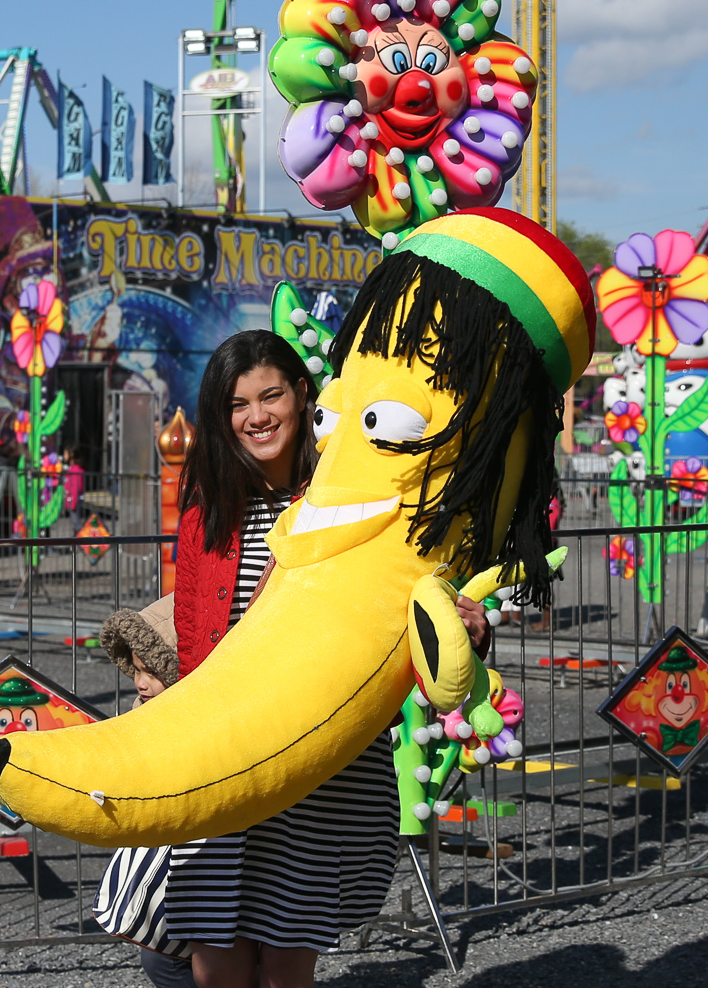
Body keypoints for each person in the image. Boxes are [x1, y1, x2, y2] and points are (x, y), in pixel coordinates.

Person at [159, 330, 487, 988]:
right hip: (229, 752)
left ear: (302, 392)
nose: (257, 416)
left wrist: (464, 625)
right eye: (237, 402)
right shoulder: (208, 514)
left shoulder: (359, 499)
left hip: (324, 763)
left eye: (271, 394)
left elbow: (413, 608)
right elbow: (194, 645)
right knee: (212, 955)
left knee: (285, 956)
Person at [94, 595, 194, 988]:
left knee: (172, 961)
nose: (140, 682)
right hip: (164, 864)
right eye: (136, 669)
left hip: (195, 861)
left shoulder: (190, 721)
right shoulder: (141, 712)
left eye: (152, 671)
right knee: (164, 958)